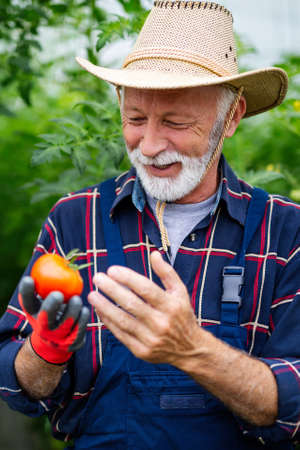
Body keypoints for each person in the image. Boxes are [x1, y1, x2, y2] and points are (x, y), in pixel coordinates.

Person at [0, 2, 299, 449]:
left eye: (176, 123)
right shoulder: (75, 219)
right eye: (136, 119)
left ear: (231, 117)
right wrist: (46, 350)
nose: (151, 145)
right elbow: (22, 390)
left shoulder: (284, 231)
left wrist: (191, 349)